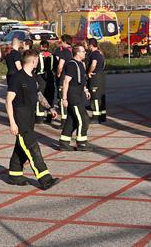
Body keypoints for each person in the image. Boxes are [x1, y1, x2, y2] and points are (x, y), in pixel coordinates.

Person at [5, 49, 60, 190]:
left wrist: (49, 108)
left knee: (21, 147)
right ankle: (45, 178)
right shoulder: (17, 78)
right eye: (38, 59)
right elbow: (8, 101)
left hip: (30, 117)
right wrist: (12, 123)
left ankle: (14, 174)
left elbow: (38, 94)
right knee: (32, 147)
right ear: (34, 61)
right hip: (20, 118)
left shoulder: (32, 77)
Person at [58, 44, 90, 151]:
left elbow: (82, 79)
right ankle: (81, 143)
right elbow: (66, 81)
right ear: (77, 53)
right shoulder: (71, 64)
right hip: (73, 96)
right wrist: (64, 98)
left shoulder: (81, 64)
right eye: (83, 51)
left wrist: (85, 90)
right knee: (83, 119)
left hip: (79, 94)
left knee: (71, 120)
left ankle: (64, 141)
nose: (85, 53)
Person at [53, 35, 74, 124]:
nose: (60, 44)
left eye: (61, 42)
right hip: (72, 77)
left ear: (65, 42)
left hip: (64, 77)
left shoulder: (64, 52)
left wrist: (58, 73)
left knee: (62, 98)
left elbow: (60, 65)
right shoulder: (73, 50)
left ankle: (64, 120)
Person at [86, 38, 107, 123]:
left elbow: (93, 64)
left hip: (95, 77)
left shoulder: (94, 54)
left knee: (95, 97)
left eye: (88, 45)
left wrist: (89, 72)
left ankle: (96, 116)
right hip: (101, 77)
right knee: (101, 97)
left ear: (91, 45)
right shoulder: (100, 53)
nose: (87, 46)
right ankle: (102, 116)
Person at [35, 40, 56, 124]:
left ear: (41, 46)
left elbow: (36, 67)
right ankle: (49, 117)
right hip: (50, 77)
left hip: (41, 77)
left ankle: (39, 118)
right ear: (47, 47)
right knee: (50, 96)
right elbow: (55, 66)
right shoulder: (52, 56)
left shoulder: (38, 56)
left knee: (40, 96)